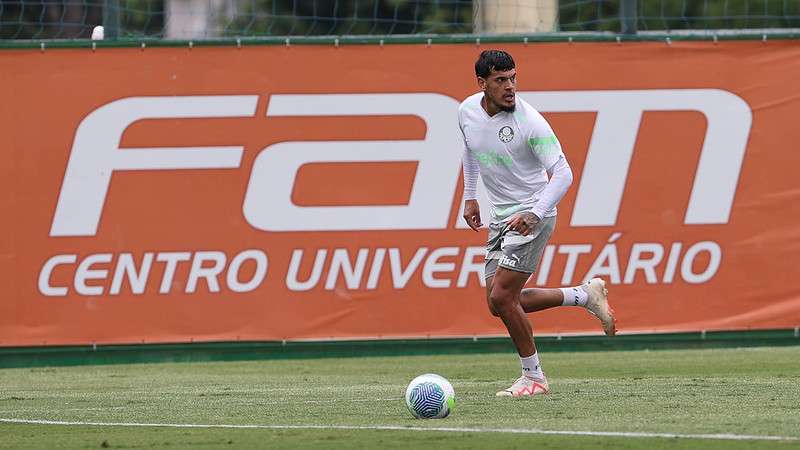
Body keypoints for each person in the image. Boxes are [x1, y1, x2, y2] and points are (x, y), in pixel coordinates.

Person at [459, 50, 617, 397]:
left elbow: (563, 174)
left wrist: (536, 213)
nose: (510, 86)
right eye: (501, 80)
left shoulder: (529, 121)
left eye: (513, 78)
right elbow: (470, 148)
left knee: (502, 297)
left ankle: (534, 378)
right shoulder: (467, 111)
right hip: (501, 218)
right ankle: (583, 295)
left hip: (532, 214)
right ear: (482, 83)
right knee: (500, 302)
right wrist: (470, 195)